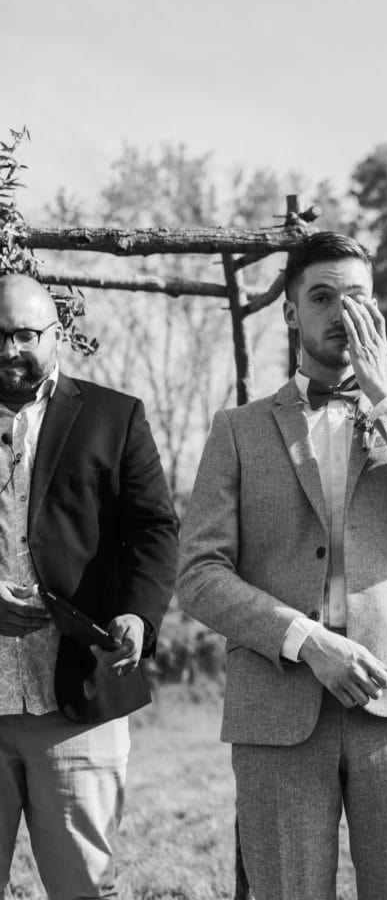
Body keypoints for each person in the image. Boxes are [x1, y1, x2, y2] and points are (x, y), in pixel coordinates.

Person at [178, 231, 387, 900]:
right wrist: (305, 640)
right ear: (290, 312)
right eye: (321, 297)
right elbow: (198, 573)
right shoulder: (237, 429)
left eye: (356, 299)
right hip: (277, 702)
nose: (341, 314)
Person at [0, 274, 178, 898]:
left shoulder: (114, 416)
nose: (9, 349)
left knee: (82, 887)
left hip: (78, 699)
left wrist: (138, 615)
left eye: (24, 333)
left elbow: (155, 529)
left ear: (56, 335)